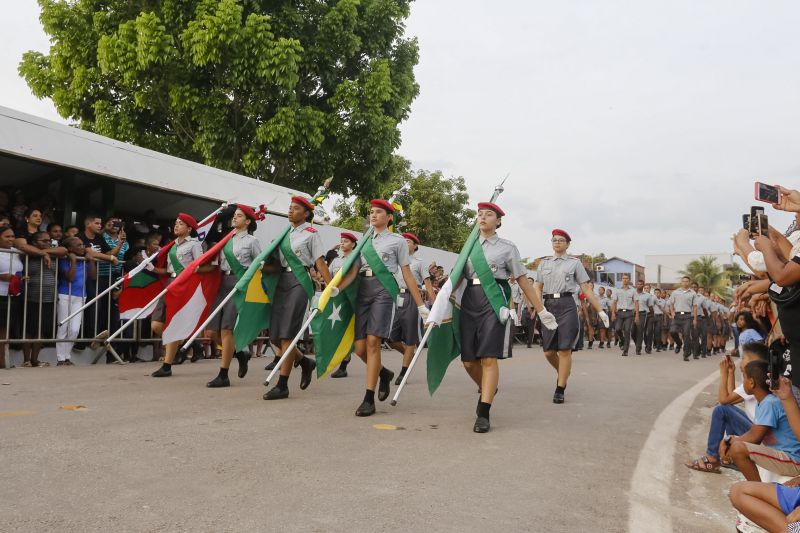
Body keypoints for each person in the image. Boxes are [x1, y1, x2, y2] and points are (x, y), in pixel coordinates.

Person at [335, 199, 428, 418]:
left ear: (389, 217)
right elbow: (352, 271)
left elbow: (406, 273)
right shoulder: (363, 241)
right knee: (359, 349)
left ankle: (369, 398)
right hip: (363, 291)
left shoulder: (397, 241)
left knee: (373, 342)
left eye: (378, 212)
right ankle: (384, 373)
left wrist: (420, 304)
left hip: (384, 291)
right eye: (371, 212)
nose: (373, 215)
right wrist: (337, 290)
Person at [262, 196, 332, 400]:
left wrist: (331, 288)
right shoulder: (284, 234)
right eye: (290, 208)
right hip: (281, 281)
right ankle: (304, 361)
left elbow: (320, 263)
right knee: (275, 336)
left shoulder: (311, 234)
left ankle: (282, 385)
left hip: (299, 282)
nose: (290, 211)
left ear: (306, 214)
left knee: (287, 335)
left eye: (296, 208)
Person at [534, 229, 608, 403]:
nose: (557, 242)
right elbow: (537, 287)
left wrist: (600, 310)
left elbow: (586, 288)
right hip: (549, 306)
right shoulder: (543, 263)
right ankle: (564, 371)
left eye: (561, 240)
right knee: (548, 352)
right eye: (554, 240)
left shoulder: (575, 263)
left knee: (565, 349)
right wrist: (539, 309)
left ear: (567, 244)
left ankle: (560, 388)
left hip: (567, 305)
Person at [685, 342, 768, 473]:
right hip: (758, 429)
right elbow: (731, 398)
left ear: (754, 363)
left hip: (759, 435)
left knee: (721, 410)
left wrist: (723, 374)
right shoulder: (758, 379)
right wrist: (730, 372)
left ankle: (712, 458)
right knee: (726, 409)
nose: (740, 362)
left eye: (744, 358)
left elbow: (724, 399)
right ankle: (729, 457)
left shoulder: (754, 381)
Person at [207, 205, 262, 388]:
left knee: (226, 329)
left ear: (248, 221)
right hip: (223, 282)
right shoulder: (226, 239)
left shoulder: (252, 241)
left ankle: (223, 375)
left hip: (239, 285)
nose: (235, 218)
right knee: (211, 331)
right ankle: (240, 354)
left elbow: (258, 265)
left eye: (239, 216)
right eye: (234, 216)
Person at [723, 361, 800, 481]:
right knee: (736, 443)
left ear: (751, 382)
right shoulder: (764, 402)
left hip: (792, 459)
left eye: (744, 378)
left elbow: (755, 437)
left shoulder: (770, 402)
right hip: (782, 454)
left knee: (738, 449)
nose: (743, 382)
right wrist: (733, 440)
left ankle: (757, 490)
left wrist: (729, 444)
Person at [151, 214, 207, 377]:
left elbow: (199, 266)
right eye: (176, 223)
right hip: (170, 283)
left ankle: (167, 365)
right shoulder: (171, 246)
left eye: (181, 224)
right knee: (156, 324)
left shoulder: (194, 245)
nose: (176, 226)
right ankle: (189, 343)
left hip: (184, 285)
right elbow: (168, 270)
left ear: (189, 229)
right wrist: (152, 269)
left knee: (174, 324)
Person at [388, 232, 435, 386]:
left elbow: (427, 285)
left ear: (415, 246)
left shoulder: (419, 262)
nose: (405, 243)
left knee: (409, 339)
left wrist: (435, 306)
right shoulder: (395, 261)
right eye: (403, 241)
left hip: (411, 299)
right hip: (396, 298)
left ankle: (404, 370)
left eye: (408, 241)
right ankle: (409, 354)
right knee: (392, 339)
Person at [55, 236, 96, 366]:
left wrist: (92, 261)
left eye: (82, 244)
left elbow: (93, 276)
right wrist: (73, 261)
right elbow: (71, 278)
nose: (82, 247)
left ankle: (67, 356)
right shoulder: (65, 259)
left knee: (74, 329)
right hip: (65, 295)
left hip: (80, 296)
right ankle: (61, 358)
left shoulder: (85, 259)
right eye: (78, 245)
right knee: (63, 328)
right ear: (70, 248)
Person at [23, 231, 57, 367]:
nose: (48, 243)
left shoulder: (55, 254)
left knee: (41, 330)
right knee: (29, 329)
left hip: (49, 298)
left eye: (49, 240)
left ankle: (35, 359)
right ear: (35, 243)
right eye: (44, 241)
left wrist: (46, 252)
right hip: (31, 297)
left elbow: (64, 249)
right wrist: (42, 253)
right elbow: (22, 246)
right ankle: (26, 360)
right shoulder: (29, 255)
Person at [329, 232, 359, 378]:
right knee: (338, 330)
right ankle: (342, 361)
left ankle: (344, 364)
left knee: (348, 331)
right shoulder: (335, 261)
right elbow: (329, 279)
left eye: (346, 241)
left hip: (352, 299)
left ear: (353, 244)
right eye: (341, 241)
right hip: (337, 299)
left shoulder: (357, 258)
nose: (342, 243)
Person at [0, 227, 24, 369]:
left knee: (5, 329)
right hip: (0, 295)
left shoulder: (16, 252)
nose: (10, 239)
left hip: (13, 295)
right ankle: (2, 362)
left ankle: (3, 360)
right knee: (1, 329)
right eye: (6, 236)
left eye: (12, 236)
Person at [668, 276, 698, 361]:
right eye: (683, 281)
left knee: (686, 335)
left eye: (687, 281)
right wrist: (672, 312)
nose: (685, 282)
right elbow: (670, 303)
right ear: (681, 282)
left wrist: (695, 319)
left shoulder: (692, 293)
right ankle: (679, 343)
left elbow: (695, 307)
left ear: (689, 282)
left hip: (687, 316)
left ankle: (686, 354)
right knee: (672, 331)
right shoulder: (675, 292)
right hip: (677, 315)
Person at [610, 273, 637, 357]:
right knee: (617, 329)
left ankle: (625, 350)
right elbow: (614, 302)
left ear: (629, 280)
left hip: (629, 313)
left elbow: (636, 303)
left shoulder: (633, 290)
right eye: (623, 278)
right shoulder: (617, 290)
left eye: (626, 278)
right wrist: (613, 313)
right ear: (621, 280)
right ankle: (622, 340)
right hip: (620, 312)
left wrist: (637, 315)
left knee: (627, 330)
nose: (625, 280)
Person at [632, 279, 654, 355]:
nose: (639, 285)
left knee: (640, 331)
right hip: (632, 314)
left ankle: (638, 349)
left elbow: (650, 307)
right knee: (632, 332)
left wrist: (651, 315)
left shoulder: (648, 295)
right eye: (638, 284)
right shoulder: (632, 293)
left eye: (641, 284)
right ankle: (637, 343)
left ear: (643, 286)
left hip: (643, 314)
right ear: (636, 285)